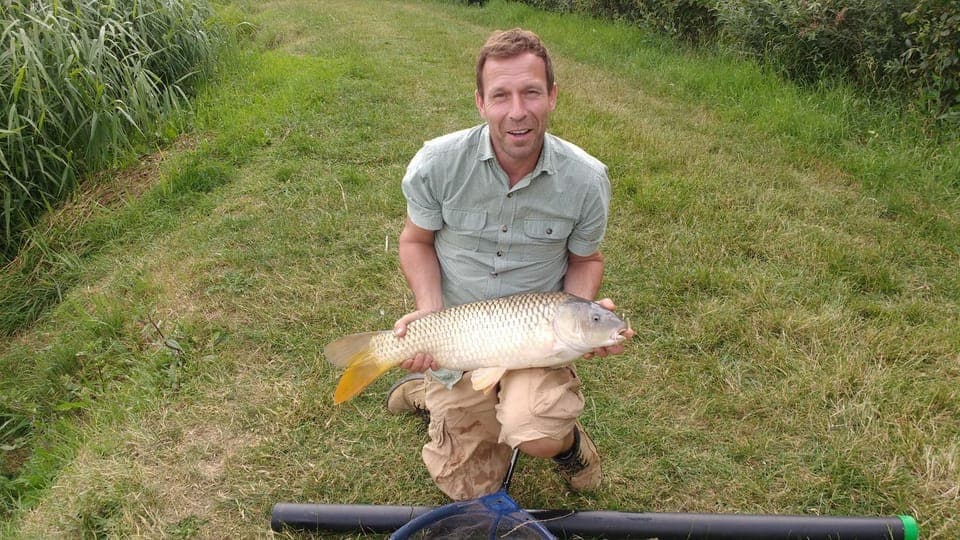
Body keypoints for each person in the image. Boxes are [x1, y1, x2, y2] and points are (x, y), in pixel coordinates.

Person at [386, 28, 633, 501]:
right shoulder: (437, 164)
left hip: (536, 335)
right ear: (481, 102)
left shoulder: (586, 179)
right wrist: (429, 313)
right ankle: (430, 388)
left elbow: (587, 258)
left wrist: (582, 315)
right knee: (469, 489)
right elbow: (415, 241)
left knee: (535, 430)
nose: (517, 111)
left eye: (531, 92)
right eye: (501, 95)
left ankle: (567, 444)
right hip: (458, 333)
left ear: (552, 96)